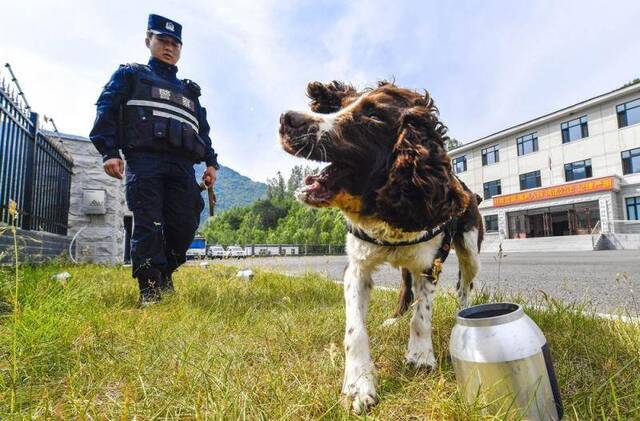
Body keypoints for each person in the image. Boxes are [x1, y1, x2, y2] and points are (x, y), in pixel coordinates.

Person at [89, 14, 219, 306]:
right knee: (149, 224)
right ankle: (150, 290)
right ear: (149, 40)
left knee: (184, 223)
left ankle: (165, 272)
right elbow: (106, 109)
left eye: (175, 43)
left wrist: (211, 164)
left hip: (182, 167)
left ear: (181, 49)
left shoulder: (190, 93)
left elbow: (203, 132)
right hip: (144, 161)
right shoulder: (131, 75)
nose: (168, 47)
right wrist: (109, 152)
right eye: (162, 40)